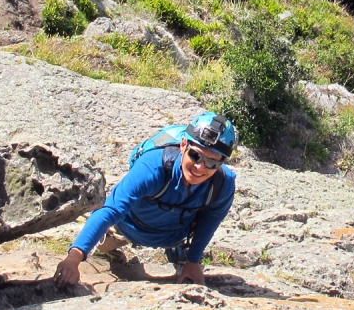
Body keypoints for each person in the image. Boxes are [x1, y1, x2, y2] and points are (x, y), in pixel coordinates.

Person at [54, 112, 238, 287]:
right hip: (126, 227)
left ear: (221, 163)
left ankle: (178, 251)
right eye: (195, 155)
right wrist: (75, 257)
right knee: (104, 247)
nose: (199, 167)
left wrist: (193, 260)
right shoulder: (152, 167)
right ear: (183, 145)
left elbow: (210, 221)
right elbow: (111, 209)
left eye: (212, 163)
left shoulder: (223, 184)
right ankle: (110, 246)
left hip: (174, 236)